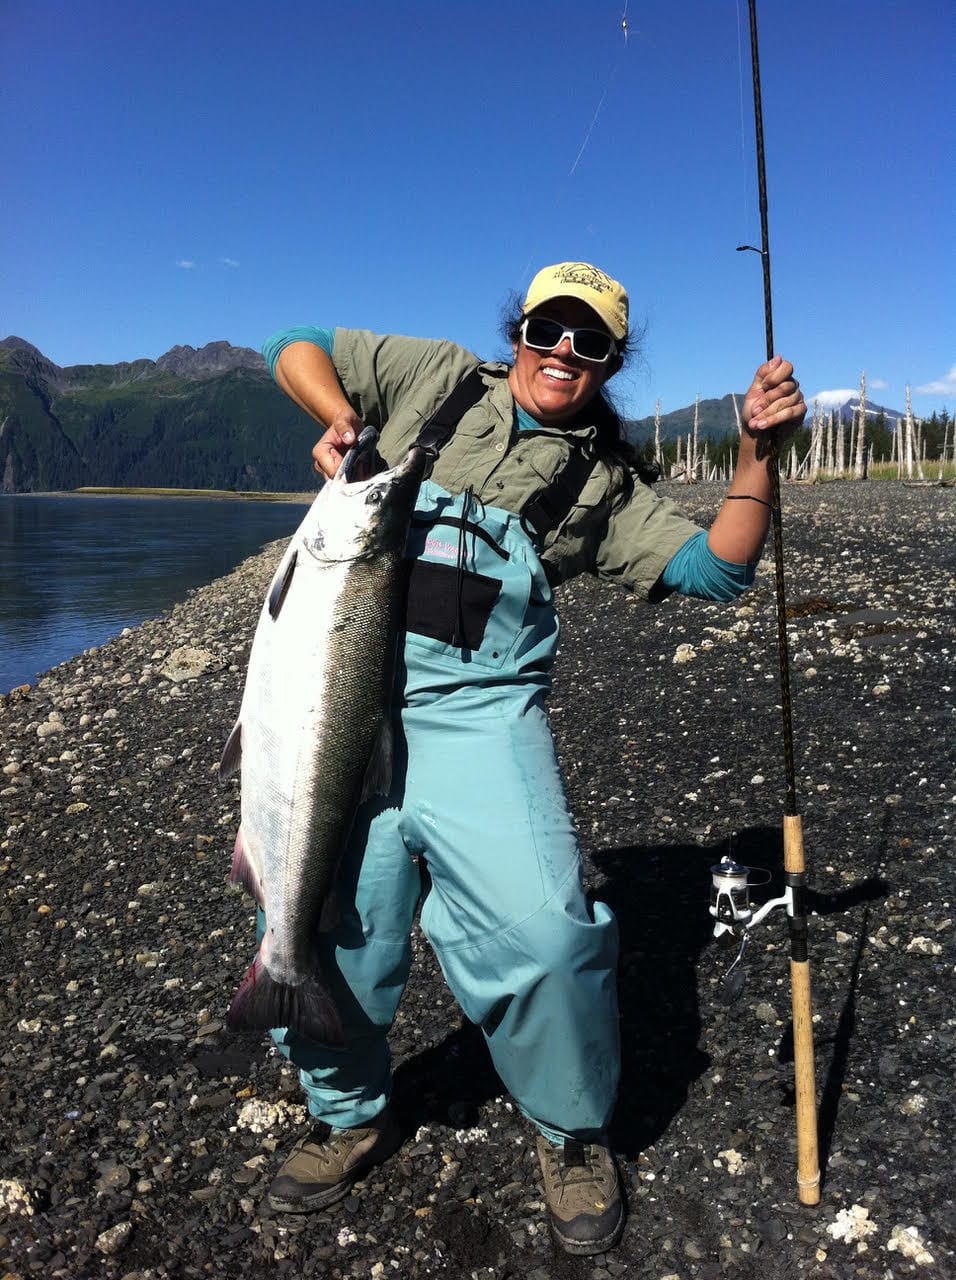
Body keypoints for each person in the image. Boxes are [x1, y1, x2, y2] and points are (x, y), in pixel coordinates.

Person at [257, 261, 806, 1256]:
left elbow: (718, 569)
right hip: (339, 703)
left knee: (551, 935)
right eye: (548, 327)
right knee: (321, 921)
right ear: (517, 332)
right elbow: (292, 342)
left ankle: (566, 1129)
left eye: (588, 341)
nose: (563, 350)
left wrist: (757, 453)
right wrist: (340, 418)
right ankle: (345, 1111)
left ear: (606, 365)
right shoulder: (433, 376)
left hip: (481, 717)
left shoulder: (602, 484)